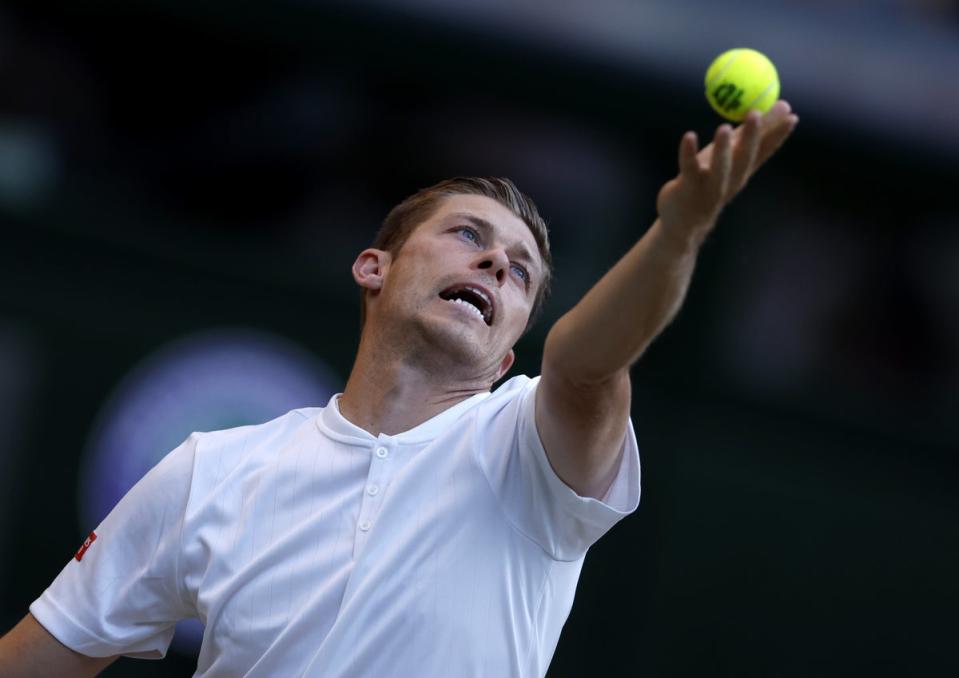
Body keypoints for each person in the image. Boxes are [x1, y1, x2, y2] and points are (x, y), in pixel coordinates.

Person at [0, 103, 798, 677]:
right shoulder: (210, 468)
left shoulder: (528, 447)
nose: (494, 263)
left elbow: (585, 365)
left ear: (506, 351)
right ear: (372, 267)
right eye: (467, 236)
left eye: (519, 271)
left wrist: (677, 234)